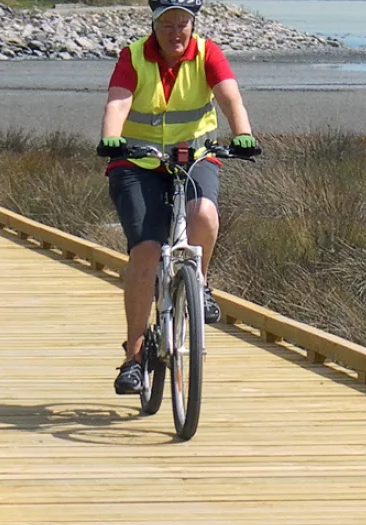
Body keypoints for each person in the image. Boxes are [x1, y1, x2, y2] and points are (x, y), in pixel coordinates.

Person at [97, 0, 260, 395]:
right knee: (147, 249)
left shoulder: (208, 53)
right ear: (154, 25)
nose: (175, 32)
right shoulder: (133, 56)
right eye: (167, 24)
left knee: (203, 213)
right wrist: (111, 138)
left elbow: (229, 98)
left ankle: (199, 284)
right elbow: (118, 101)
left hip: (194, 156)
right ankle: (133, 356)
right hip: (137, 162)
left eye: (182, 24)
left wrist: (244, 133)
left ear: (193, 24)